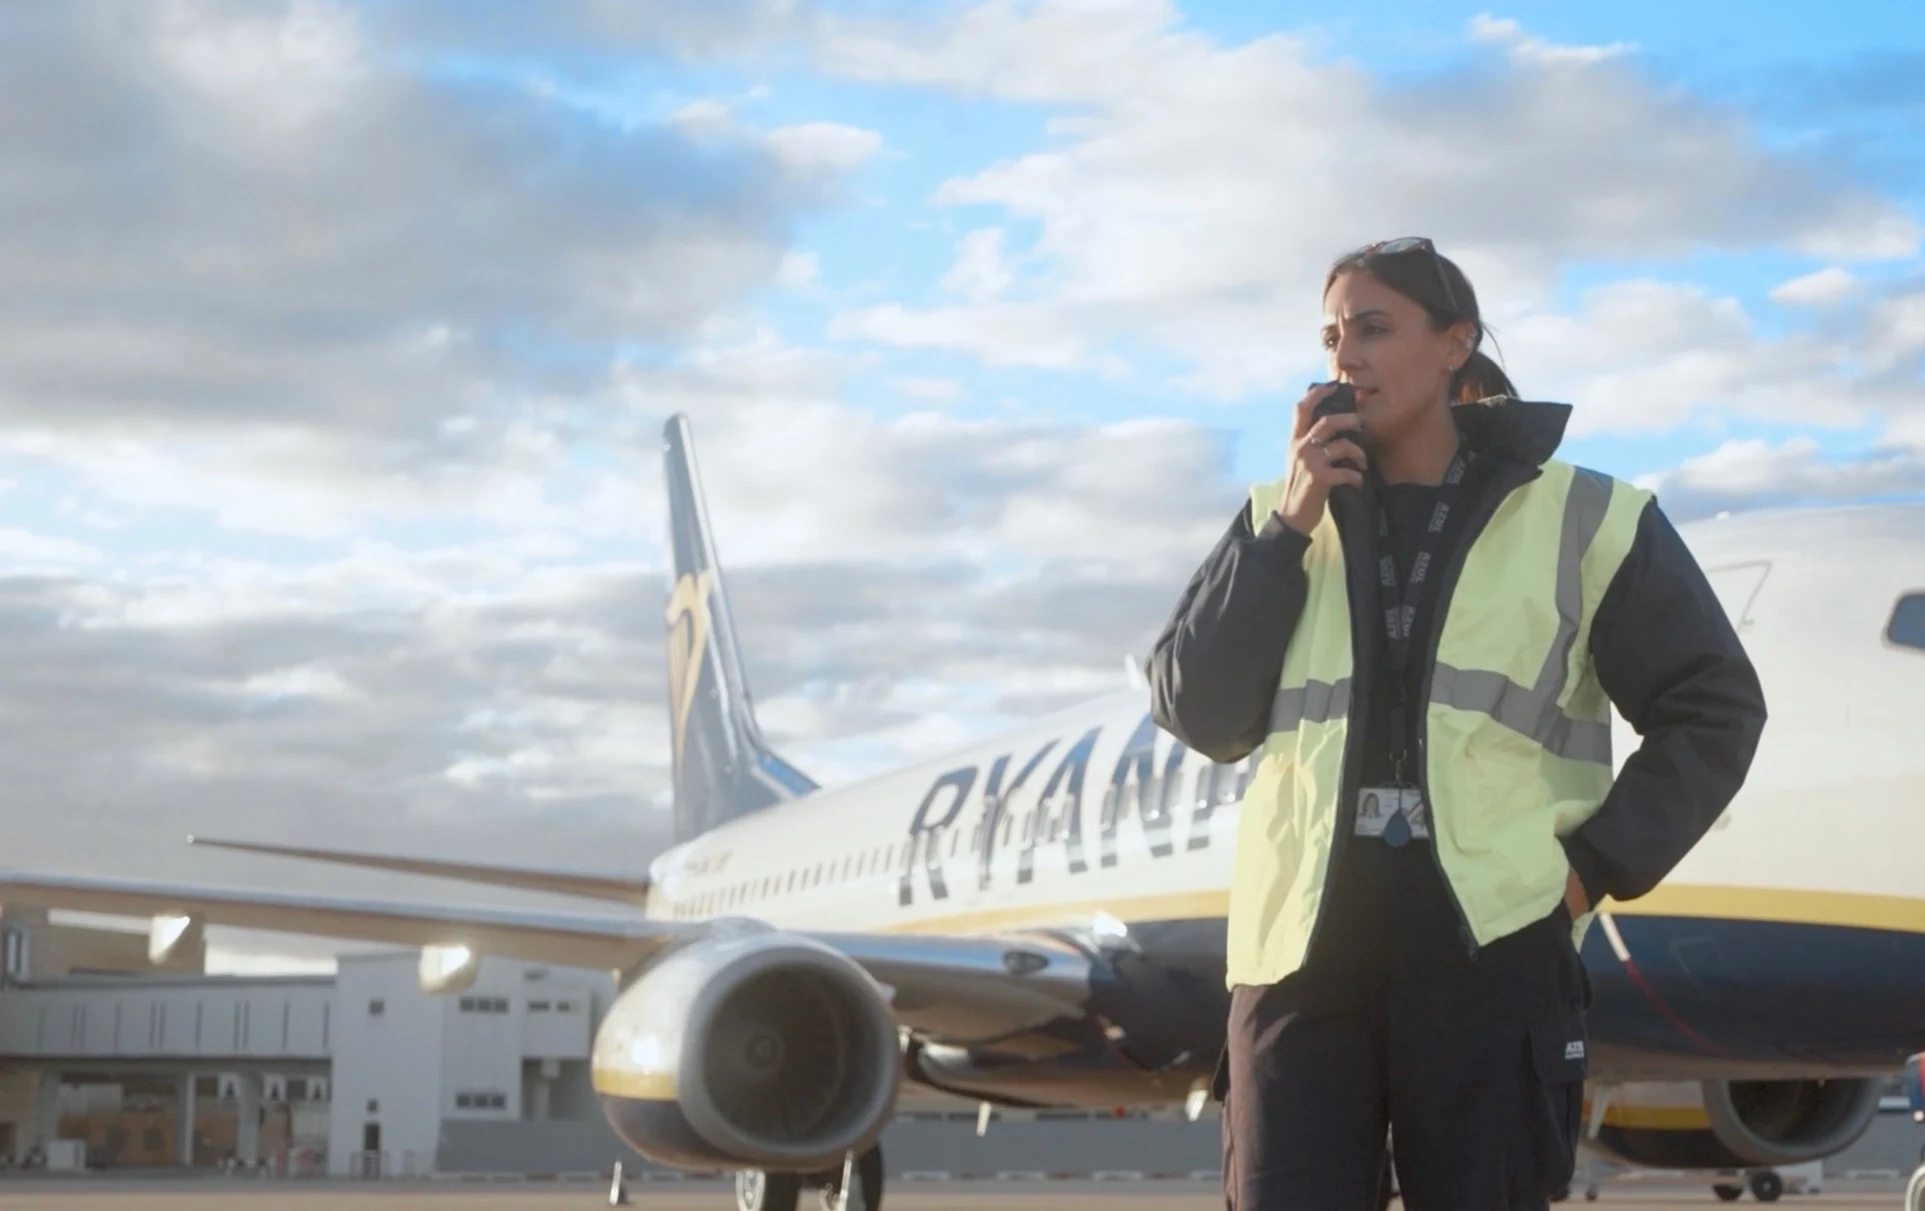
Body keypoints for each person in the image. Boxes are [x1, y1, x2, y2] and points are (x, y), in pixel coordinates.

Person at [1147, 237, 1768, 1210]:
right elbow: (1197, 708)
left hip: (1489, 943)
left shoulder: (1584, 515)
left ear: (1453, 342)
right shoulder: (1281, 516)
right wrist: (1288, 525)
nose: (1342, 356)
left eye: (1371, 328)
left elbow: (1714, 705)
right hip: (1301, 952)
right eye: (1329, 334)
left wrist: (1588, 869)